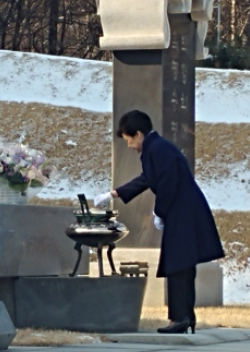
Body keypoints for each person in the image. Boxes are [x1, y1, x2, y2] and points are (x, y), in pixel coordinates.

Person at [93, 110, 224, 334]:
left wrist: (160, 211)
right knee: (181, 264)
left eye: (129, 140)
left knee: (178, 265)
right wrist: (114, 194)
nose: (129, 145)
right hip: (184, 211)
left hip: (182, 212)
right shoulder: (157, 148)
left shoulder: (157, 149)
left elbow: (167, 183)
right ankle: (184, 317)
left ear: (138, 134)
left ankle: (179, 318)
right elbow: (148, 178)